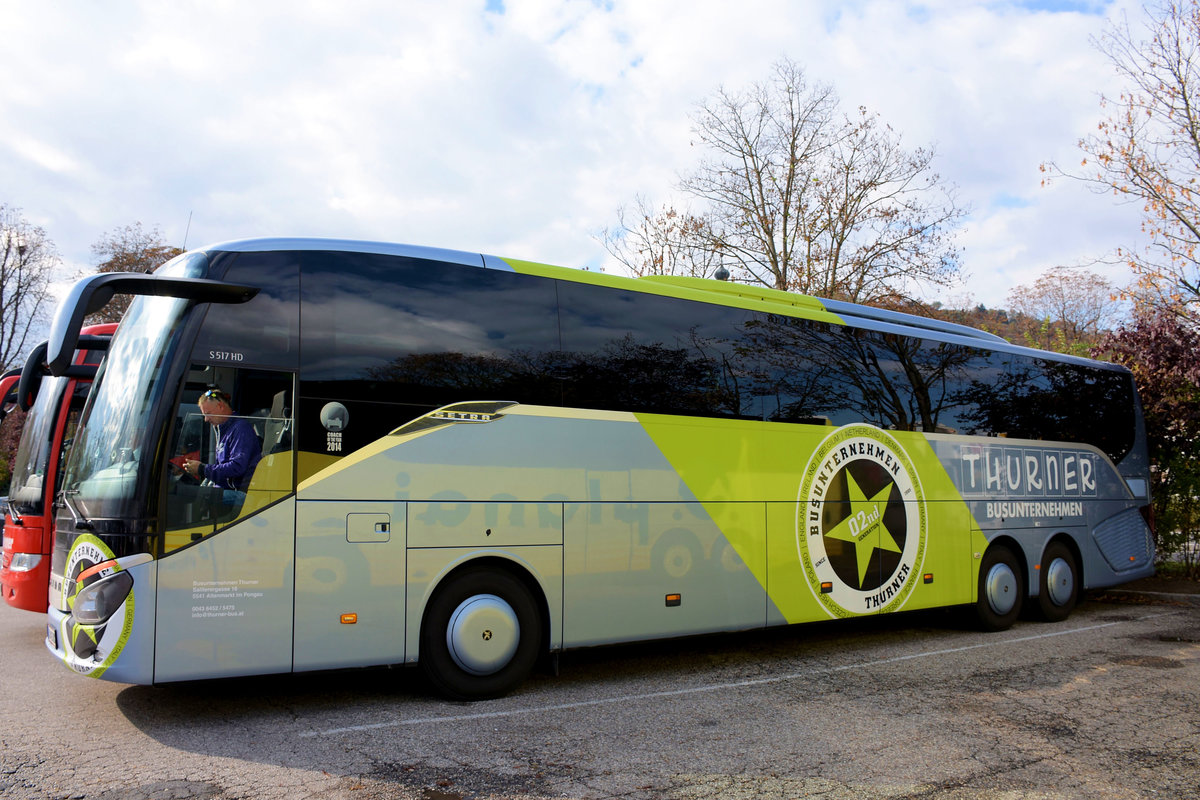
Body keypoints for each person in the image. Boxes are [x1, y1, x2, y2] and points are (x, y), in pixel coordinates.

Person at [183, 388, 261, 497]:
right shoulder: (223, 430)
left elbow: (237, 467)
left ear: (220, 406)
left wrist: (202, 469)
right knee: (187, 493)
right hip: (225, 488)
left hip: (239, 492)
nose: (206, 419)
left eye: (208, 413)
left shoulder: (240, 429)